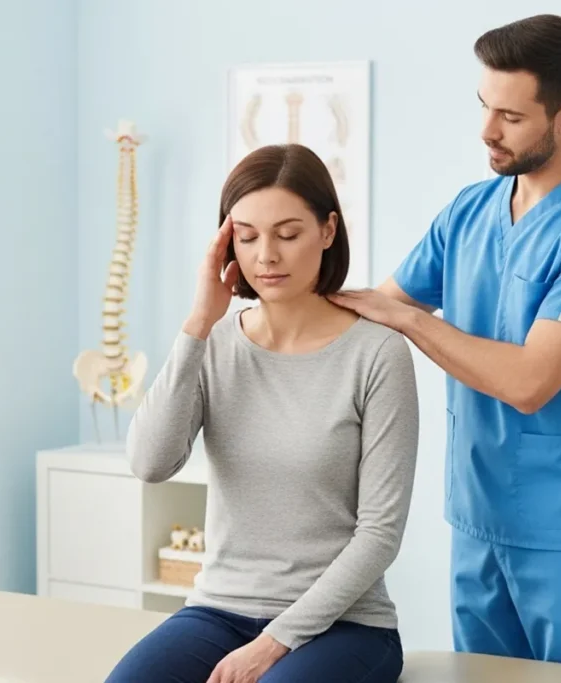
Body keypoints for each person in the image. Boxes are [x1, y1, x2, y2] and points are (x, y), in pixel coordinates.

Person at [328, 13, 561, 672]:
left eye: (510, 115)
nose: (486, 130)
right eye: (484, 106)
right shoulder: (470, 210)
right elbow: (378, 308)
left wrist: (414, 322)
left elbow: (530, 380)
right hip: (477, 512)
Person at [106, 143, 420, 683]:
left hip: (345, 626)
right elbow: (150, 463)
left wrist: (274, 643)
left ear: (327, 231)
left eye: (288, 233)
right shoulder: (214, 344)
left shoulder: (377, 354)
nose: (266, 255)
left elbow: (379, 535)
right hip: (218, 610)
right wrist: (199, 324)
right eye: (247, 236)